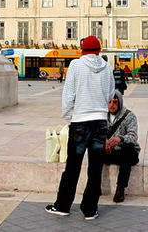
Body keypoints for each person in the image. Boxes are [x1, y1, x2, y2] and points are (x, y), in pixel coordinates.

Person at [46, 35, 114, 221]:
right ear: (99, 50)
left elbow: (68, 95)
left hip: (80, 123)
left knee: (73, 166)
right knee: (95, 168)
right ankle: (90, 209)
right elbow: (110, 94)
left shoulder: (76, 66)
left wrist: (70, 117)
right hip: (100, 122)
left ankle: (62, 206)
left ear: (83, 49)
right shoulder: (107, 67)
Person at [103, 90, 140, 203]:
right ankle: (93, 186)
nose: (112, 105)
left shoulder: (129, 116)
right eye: (109, 102)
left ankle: (120, 188)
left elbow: (133, 136)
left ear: (120, 102)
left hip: (124, 153)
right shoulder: (102, 115)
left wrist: (120, 139)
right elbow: (96, 132)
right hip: (109, 152)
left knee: (128, 149)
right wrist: (103, 141)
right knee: (93, 148)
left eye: (115, 102)